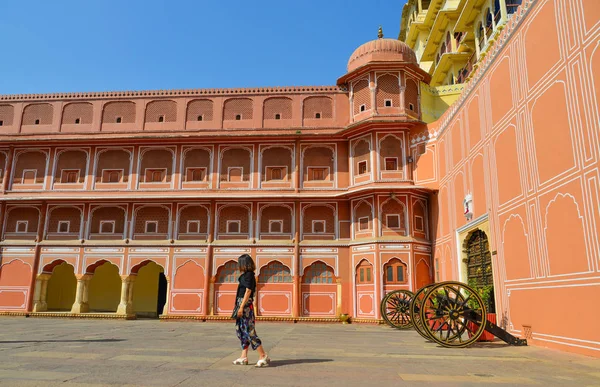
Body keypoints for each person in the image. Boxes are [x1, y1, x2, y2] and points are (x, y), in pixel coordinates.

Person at [232, 254, 270, 367]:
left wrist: (242, 307)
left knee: (249, 330)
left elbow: (248, 291)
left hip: (245, 306)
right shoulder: (245, 275)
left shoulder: (249, 275)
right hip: (241, 304)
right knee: (241, 330)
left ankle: (263, 355)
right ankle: (243, 356)